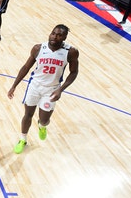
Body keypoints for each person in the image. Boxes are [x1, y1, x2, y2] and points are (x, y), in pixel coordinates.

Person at [7, 24, 79, 154]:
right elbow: (25, 67)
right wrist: (14, 86)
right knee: (28, 115)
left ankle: (42, 126)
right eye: (53, 33)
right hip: (34, 86)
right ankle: (23, 139)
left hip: (52, 90)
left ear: (65, 37)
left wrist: (60, 90)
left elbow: (73, 72)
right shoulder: (38, 48)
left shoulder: (71, 52)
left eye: (59, 35)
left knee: (45, 119)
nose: (55, 37)